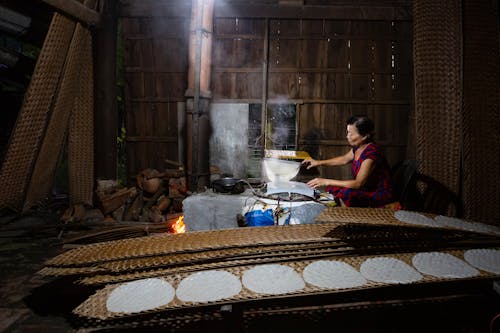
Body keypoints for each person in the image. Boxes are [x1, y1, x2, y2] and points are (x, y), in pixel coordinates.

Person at [302, 115, 393, 207]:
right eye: (347, 132)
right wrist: (318, 162)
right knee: (334, 188)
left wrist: (326, 181)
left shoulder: (371, 153)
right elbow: (344, 159)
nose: (347, 136)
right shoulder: (358, 147)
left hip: (378, 194)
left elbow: (358, 183)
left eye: (351, 134)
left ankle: (344, 217)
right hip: (366, 189)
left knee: (347, 193)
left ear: (365, 136)